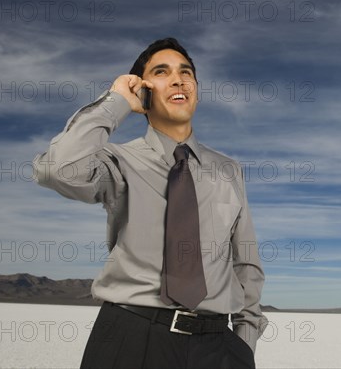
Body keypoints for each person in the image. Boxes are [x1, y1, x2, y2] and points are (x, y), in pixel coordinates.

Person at [33, 37, 267, 368]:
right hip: (131, 338)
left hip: (217, 346)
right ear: (142, 91)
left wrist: (244, 344)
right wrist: (115, 103)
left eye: (186, 72)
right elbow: (56, 170)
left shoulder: (228, 170)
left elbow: (246, 264)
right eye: (161, 72)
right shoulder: (117, 160)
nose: (178, 79)